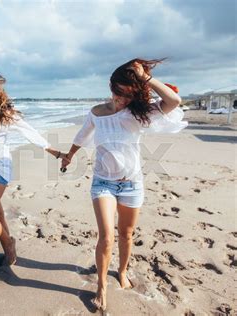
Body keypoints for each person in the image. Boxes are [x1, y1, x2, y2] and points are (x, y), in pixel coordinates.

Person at [60, 58, 187, 311]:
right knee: (106, 237)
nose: (122, 100)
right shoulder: (97, 112)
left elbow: (173, 102)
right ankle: (101, 288)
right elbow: (82, 136)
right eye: (118, 93)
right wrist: (69, 156)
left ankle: (122, 271)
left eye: (128, 95)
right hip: (103, 183)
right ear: (111, 87)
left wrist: (146, 78)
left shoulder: (138, 113)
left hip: (132, 184)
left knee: (126, 235)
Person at [0, 64, 62, 265]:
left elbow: (29, 132)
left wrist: (56, 152)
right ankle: (9, 254)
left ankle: (8, 243)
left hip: (0, 168)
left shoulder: (4, 114)